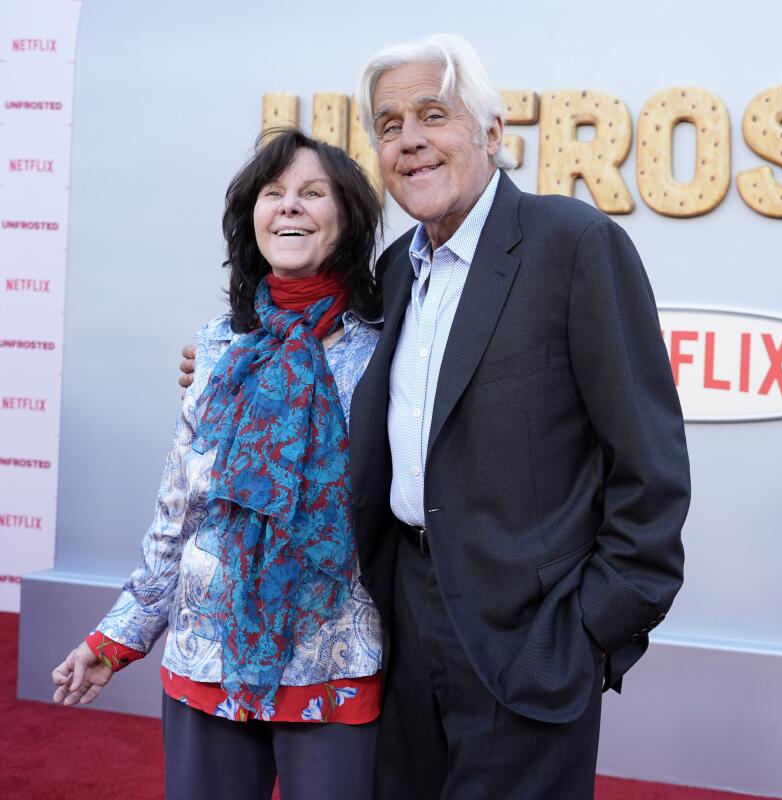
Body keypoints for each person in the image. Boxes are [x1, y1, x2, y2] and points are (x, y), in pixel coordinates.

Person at [180, 33, 691, 798]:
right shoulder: (393, 272)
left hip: (532, 636)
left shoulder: (575, 245)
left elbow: (651, 467)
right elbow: (316, 365)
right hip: (404, 620)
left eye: (433, 115)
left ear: (491, 133)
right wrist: (215, 369)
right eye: (390, 126)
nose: (410, 140)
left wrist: (589, 633)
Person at [52, 128, 386, 800]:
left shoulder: (383, 352)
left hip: (336, 658)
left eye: (312, 193)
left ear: (347, 219)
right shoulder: (216, 348)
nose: (289, 207)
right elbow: (180, 511)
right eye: (274, 193)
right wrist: (118, 635)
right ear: (250, 218)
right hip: (210, 652)